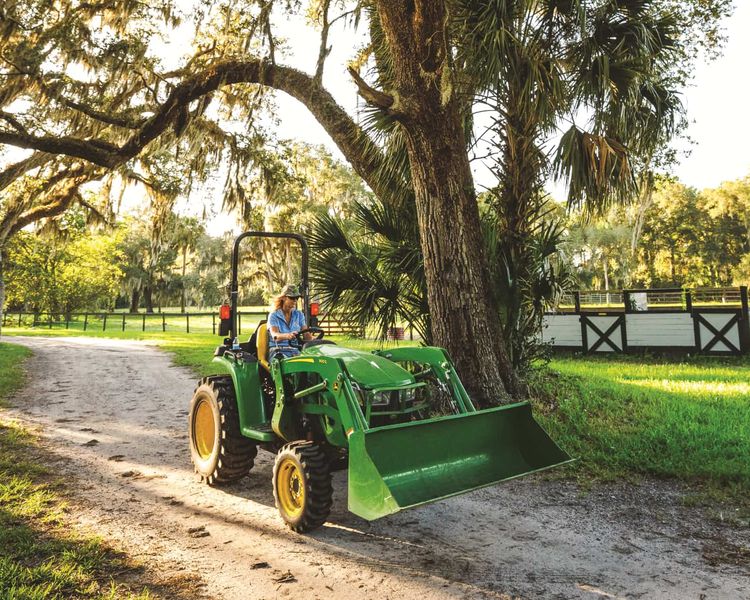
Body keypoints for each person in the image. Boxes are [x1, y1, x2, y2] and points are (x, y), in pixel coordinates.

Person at [268, 284, 311, 357]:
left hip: (295, 350)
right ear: (283, 298)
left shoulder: (299, 315)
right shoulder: (274, 316)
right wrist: (287, 336)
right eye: (292, 298)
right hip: (278, 351)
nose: (295, 301)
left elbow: (306, 335)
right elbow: (275, 335)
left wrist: (318, 341)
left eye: (297, 298)